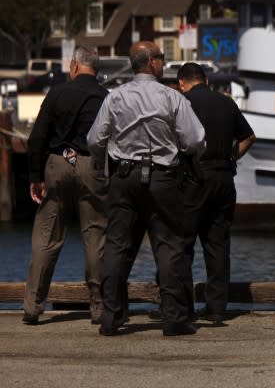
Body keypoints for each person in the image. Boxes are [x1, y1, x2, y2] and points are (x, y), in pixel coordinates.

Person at [87, 41, 205, 337]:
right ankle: (174, 317)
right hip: (162, 177)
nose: (164, 63)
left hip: (124, 177)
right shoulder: (170, 97)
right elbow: (194, 140)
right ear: (152, 62)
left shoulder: (115, 97)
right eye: (162, 58)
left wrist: (104, 167)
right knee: (168, 246)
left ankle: (111, 317)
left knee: (117, 246)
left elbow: (94, 140)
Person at [22, 45, 109, 326]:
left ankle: (33, 306)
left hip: (58, 163)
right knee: (95, 234)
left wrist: (35, 176)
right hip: (91, 164)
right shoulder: (104, 96)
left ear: (73, 66)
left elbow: (37, 137)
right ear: (96, 68)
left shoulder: (57, 93)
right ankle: (98, 307)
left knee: (47, 236)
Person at [177, 62, 256, 324]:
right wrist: (231, 157)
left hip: (193, 179)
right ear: (206, 80)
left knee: (183, 244)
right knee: (218, 245)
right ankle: (217, 308)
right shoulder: (226, 103)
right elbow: (248, 137)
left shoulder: (181, 103)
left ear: (182, 83)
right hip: (223, 178)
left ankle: (183, 307)